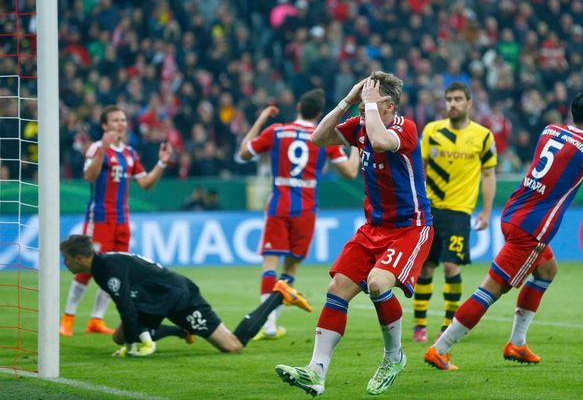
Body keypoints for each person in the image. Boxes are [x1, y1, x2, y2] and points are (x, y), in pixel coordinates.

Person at [424, 91, 583, 370]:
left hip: (513, 212)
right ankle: (441, 348)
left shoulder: (550, 130)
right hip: (531, 230)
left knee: (547, 271)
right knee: (491, 290)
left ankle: (517, 343)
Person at [275, 72, 434, 396]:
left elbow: (379, 141)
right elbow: (318, 137)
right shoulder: (361, 124)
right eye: (361, 103)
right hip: (373, 228)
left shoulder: (405, 128)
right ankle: (315, 372)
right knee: (337, 288)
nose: (362, 108)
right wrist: (348, 100)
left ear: (388, 105)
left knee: (377, 284)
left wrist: (370, 107)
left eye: (369, 101)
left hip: (410, 228)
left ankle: (394, 357)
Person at [60, 234, 312, 357]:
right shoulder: (104, 266)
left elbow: (126, 308)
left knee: (232, 346)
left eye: (67, 258)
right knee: (119, 334)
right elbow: (128, 311)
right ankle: (182, 332)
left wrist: (130, 348)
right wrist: (129, 341)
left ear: (80, 258)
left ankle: (278, 294)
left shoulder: (106, 270)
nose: (65, 262)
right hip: (156, 300)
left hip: (180, 297)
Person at [238, 88, 359, 340]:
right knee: (291, 266)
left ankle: (268, 325)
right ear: (318, 114)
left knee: (270, 262)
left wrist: (261, 119)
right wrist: (358, 144)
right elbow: (349, 172)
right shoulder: (322, 137)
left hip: (279, 202)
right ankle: (271, 322)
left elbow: (244, 153)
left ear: (298, 109)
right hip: (305, 207)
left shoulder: (277, 131)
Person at [60, 106, 173, 337]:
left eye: (123, 119)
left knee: (115, 271)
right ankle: (68, 319)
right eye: (115, 120)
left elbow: (146, 184)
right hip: (99, 219)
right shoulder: (96, 148)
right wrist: (102, 147)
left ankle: (96, 320)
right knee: (86, 267)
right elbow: (89, 176)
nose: (121, 124)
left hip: (122, 221)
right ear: (104, 125)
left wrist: (161, 163)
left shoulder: (130, 153)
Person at [413, 82, 497, 342]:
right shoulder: (432, 131)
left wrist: (485, 212)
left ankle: (449, 324)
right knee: (426, 268)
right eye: (449, 99)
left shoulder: (483, 136)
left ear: (469, 103)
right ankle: (419, 325)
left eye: (458, 99)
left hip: (460, 213)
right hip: (430, 210)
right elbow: (418, 168)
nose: (452, 104)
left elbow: (488, 174)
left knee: (451, 266)